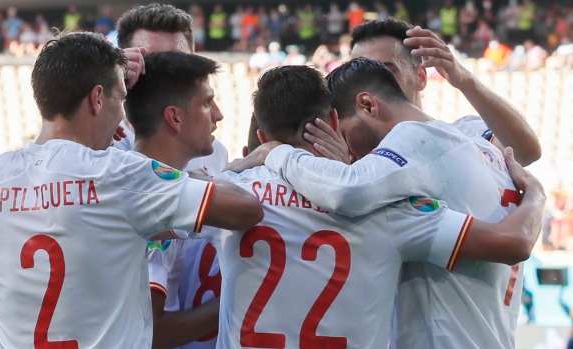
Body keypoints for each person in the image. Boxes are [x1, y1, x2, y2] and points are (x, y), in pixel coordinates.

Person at [200, 64, 545, 348]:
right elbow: (511, 241)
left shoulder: (231, 192)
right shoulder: (392, 211)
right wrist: (536, 194)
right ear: (334, 120)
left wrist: (255, 162)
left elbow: (156, 225)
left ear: (262, 138)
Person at [0, 32, 263, 349]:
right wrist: (201, 178)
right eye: (120, 98)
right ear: (97, 98)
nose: (122, 115)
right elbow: (246, 208)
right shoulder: (120, 174)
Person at [115, 4, 230, 348]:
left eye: (178, 62)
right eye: (152, 62)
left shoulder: (213, 152)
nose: (167, 72)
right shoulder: (103, 158)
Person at [347, 18, 540, 166]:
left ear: (421, 77)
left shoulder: (467, 135)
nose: (372, 83)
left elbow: (526, 153)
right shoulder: (348, 159)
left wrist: (465, 81)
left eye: (387, 71)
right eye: (361, 74)